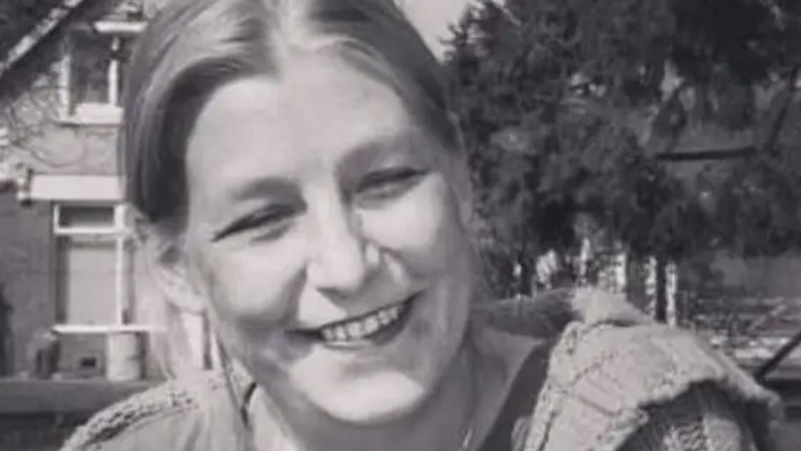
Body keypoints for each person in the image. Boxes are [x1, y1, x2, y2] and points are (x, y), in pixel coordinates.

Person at [60, 0, 783, 450]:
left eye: (386, 181)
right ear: (174, 266)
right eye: (264, 218)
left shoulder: (643, 431)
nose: (345, 266)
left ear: (461, 179)